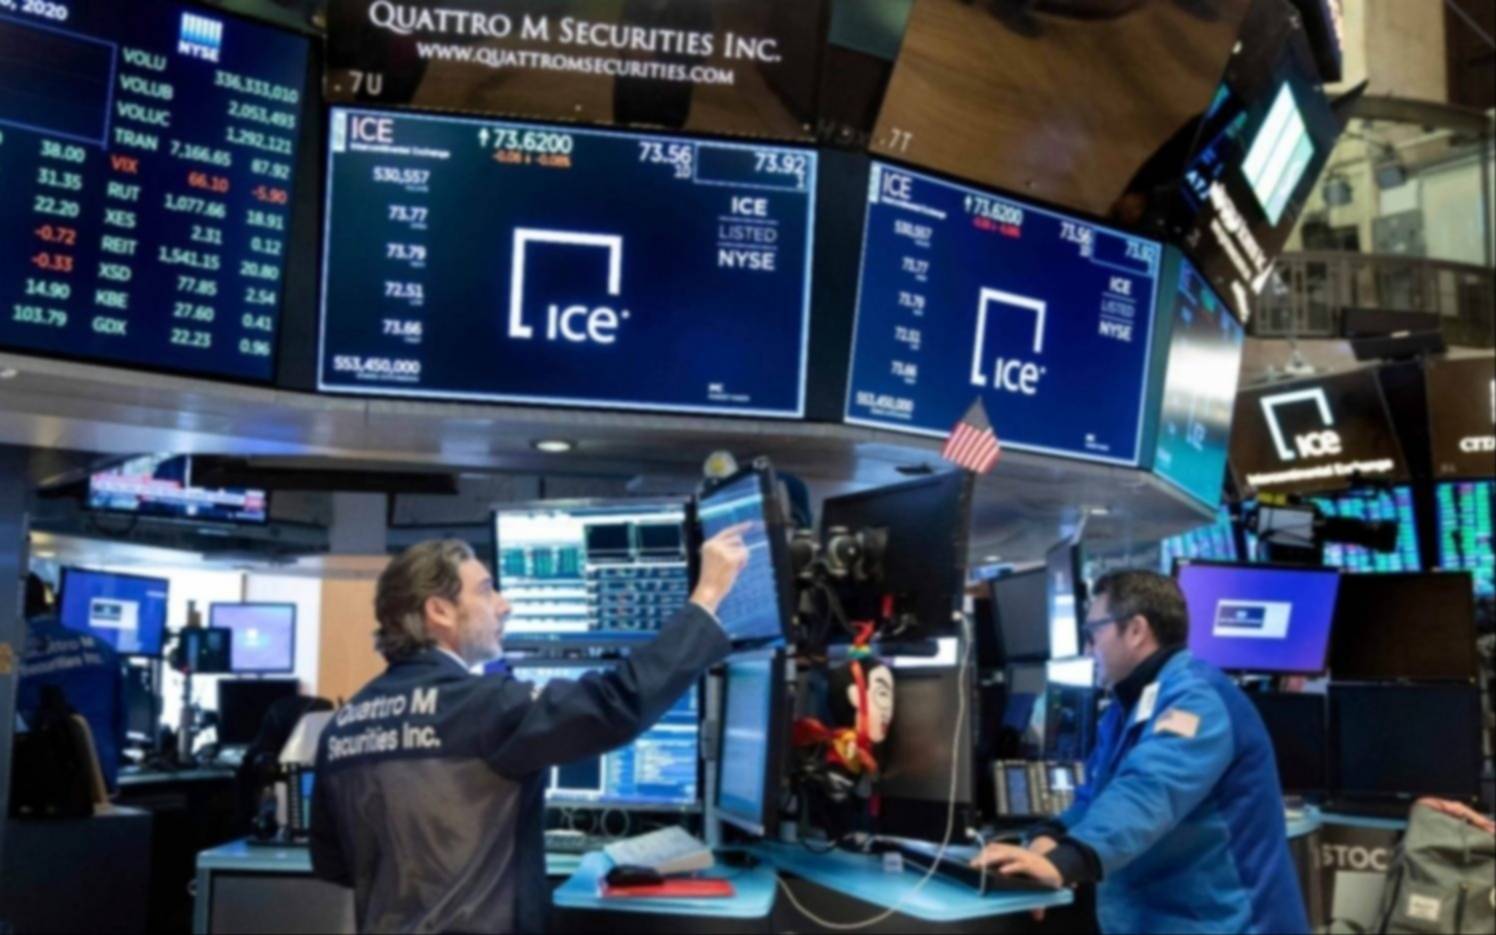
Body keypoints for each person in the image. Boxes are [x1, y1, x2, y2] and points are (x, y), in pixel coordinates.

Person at [310, 525, 750, 933]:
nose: (504, 605)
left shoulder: (342, 727)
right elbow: (616, 704)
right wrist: (707, 597)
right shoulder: (481, 705)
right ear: (440, 610)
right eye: (486, 590)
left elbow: (335, 865)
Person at [971, 570, 1307, 934]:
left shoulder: (1197, 699)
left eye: (1093, 633)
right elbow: (1096, 797)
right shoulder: (1126, 708)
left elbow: (1148, 792)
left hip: (1228, 923)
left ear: (1135, 630)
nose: (1088, 650)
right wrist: (1049, 837)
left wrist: (1064, 862)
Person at [15, 572, 127, 792]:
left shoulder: (13, 654)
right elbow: (120, 722)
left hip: (43, 781)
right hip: (100, 774)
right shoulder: (102, 648)